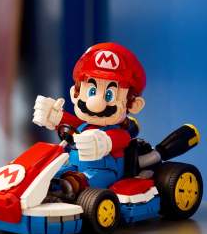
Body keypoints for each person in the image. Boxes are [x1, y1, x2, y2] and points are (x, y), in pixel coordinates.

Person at [33, 42, 146, 189]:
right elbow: (71, 126)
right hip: (74, 165)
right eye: (91, 91)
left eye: (109, 95)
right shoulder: (83, 126)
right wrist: (53, 116)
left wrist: (102, 142)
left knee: (82, 181)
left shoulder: (120, 133)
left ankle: (72, 187)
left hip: (105, 170)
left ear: (133, 104)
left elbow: (119, 139)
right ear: (75, 93)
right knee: (49, 175)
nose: (95, 103)